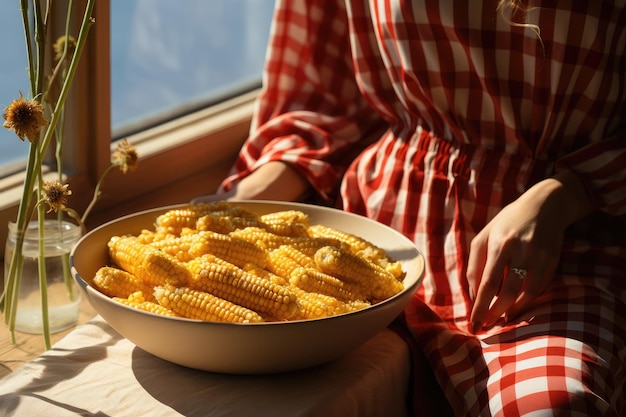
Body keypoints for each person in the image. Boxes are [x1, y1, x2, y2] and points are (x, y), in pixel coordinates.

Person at [193, 1, 626, 415]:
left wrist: (565, 193)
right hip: (382, 236)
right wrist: (244, 203)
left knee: (553, 406)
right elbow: (325, 97)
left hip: (559, 251)